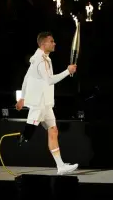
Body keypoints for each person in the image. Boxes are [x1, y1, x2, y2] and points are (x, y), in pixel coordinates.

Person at [15, 31, 78, 175]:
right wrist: (68, 71)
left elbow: (26, 78)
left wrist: (22, 97)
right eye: (51, 41)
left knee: (53, 131)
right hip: (39, 103)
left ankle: (61, 166)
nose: (54, 43)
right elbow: (49, 80)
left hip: (47, 102)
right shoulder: (39, 60)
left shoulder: (44, 58)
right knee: (27, 134)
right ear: (43, 44)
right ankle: (21, 137)